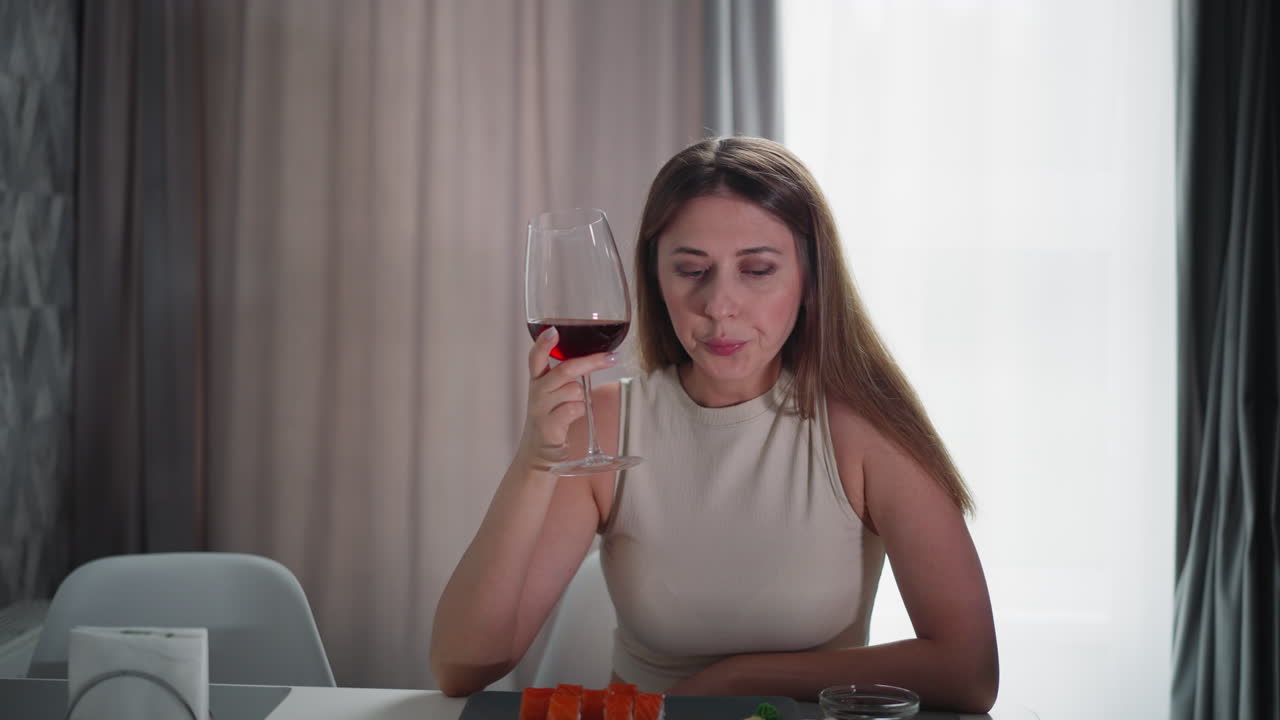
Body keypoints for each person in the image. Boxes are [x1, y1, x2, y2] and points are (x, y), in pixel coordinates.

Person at [430, 136, 999, 712]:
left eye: (756, 270)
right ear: (654, 281)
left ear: (810, 282)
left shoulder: (864, 431)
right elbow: (461, 666)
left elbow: (970, 670)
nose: (719, 304)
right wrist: (535, 460)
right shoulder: (605, 424)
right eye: (692, 270)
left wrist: (737, 680)